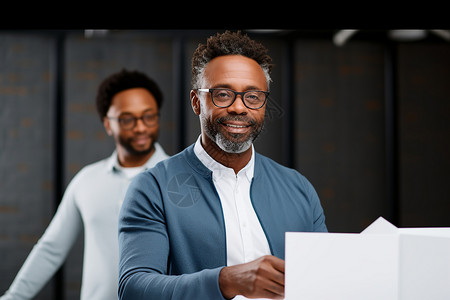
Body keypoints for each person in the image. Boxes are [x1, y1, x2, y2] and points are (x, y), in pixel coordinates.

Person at [118, 31, 327, 300]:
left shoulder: (299, 189)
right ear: (197, 102)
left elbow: (322, 281)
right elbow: (134, 289)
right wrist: (226, 281)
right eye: (223, 94)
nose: (239, 107)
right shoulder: (153, 188)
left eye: (252, 96)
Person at [1, 69, 169, 300]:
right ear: (108, 124)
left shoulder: (180, 178)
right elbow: (51, 249)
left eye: (149, 116)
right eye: (128, 119)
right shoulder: (87, 181)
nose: (141, 127)